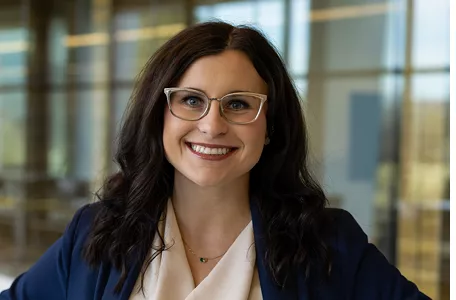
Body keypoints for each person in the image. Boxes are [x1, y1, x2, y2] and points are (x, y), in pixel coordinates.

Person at [0, 22, 427, 300]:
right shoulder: (96, 232)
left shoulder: (328, 244)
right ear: (158, 115)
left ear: (270, 125)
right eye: (190, 100)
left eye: (239, 104)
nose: (212, 125)